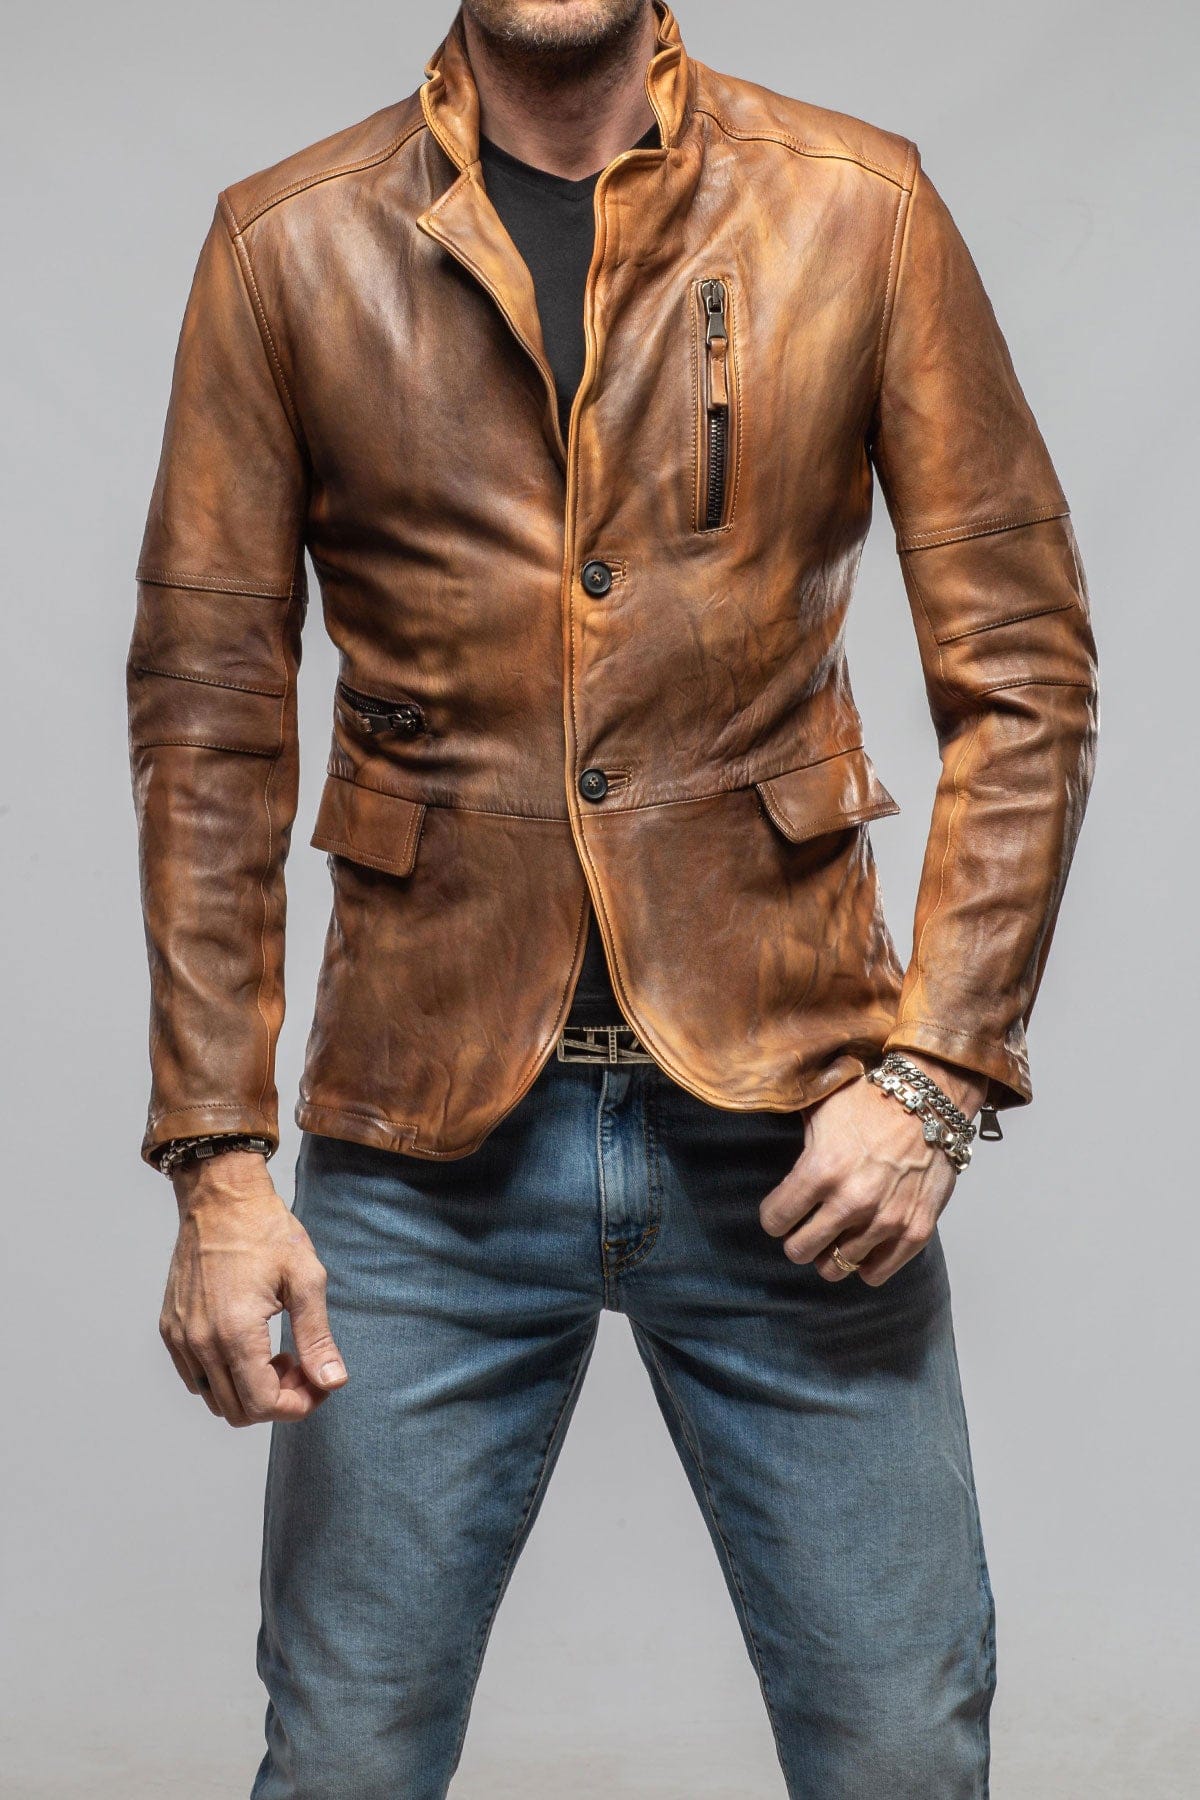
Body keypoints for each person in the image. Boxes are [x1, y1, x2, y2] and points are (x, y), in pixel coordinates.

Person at [128, 2, 1099, 1793]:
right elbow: (206, 722)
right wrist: (218, 1160)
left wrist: (940, 1077)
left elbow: (1026, 674)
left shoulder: (859, 206)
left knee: (902, 1754)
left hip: (796, 1122)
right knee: (342, 1761)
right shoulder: (286, 243)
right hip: (421, 1140)